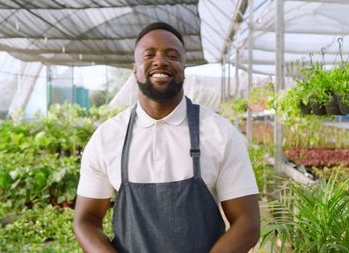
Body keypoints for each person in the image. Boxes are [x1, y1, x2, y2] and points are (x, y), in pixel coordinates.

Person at [73, 22, 260, 253]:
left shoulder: (219, 133)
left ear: (184, 68)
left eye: (172, 55)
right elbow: (86, 220)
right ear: (135, 68)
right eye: (149, 54)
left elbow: (248, 223)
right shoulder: (108, 137)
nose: (160, 60)